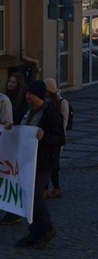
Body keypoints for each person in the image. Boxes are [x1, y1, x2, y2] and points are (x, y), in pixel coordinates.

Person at [7, 80, 66, 248]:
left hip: (44, 162)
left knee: (34, 194)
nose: (27, 97)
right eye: (26, 94)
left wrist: (44, 137)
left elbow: (60, 138)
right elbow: (17, 128)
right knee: (26, 194)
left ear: (39, 96)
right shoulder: (25, 110)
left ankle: (47, 228)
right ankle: (34, 231)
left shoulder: (51, 114)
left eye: (30, 94)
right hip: (25, 159)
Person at [43, 78, 70, 199]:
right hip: (47, 137)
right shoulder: (45, 101)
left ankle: (56, 188)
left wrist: (59, 137)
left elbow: (64, 121)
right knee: (47, 163)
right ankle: (46, 189)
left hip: (57, 138)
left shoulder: (62, 102)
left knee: (53, 164)